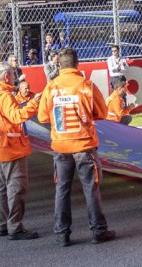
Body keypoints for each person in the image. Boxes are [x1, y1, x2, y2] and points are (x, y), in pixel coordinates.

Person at [37, 47, 116, 247]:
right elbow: (102, 112)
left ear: (59, 65)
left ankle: (62, 233)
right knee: (91, 188)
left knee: (62, 189)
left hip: (61, 146)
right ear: (77, 63)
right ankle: (98, 230)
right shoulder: (86, 85)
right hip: (84, 145)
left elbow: (42, 117)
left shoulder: (51, 87)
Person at [0, 62, 42, 240]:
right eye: (13, 74)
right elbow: (17, 117)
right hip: (11, 148)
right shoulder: (3, 96)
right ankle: (14, 226)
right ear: (7, 76)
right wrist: (34, 103)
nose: (15, 77)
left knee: (1, 189)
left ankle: (3, 224)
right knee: (16, 189)